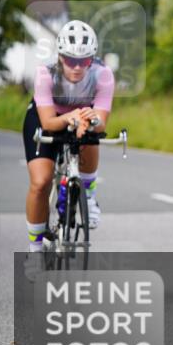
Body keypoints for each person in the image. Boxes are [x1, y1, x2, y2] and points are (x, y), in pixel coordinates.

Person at [23, 20, 114, 252]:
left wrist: (91, 120)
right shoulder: (46, 75)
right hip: (49, 117)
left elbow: (101, 121)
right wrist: (69, 117)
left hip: (80, 117)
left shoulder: (103, 75)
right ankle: (35, 250)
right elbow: (48, 123)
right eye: (71, 60)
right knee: (41, 182)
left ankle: (89, 193)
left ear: (91, 59)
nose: (77, 67)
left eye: (83, 61)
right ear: (60, 57)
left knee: (93, 135)